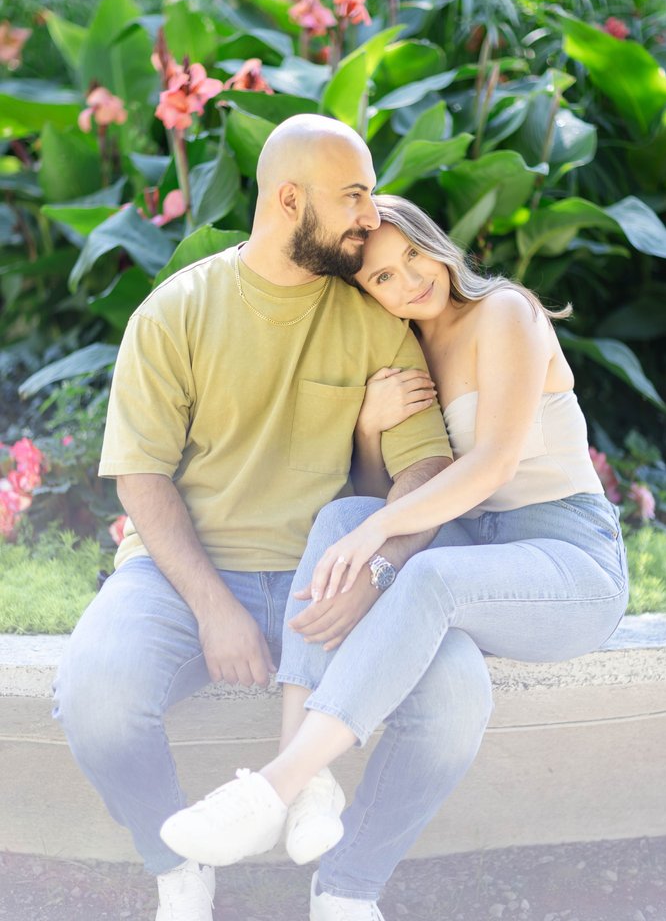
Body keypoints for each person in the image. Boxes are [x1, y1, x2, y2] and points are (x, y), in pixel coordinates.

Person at [160, 194, 630, 920]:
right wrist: (371, 433)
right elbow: (386, 498)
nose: (409, 281)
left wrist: (378, 535)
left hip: (568, 561)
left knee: (413, 560)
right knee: (343, 516)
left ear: (436, 243)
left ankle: (277, 784)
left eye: (413, 255)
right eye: (382, 276)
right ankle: (311, 786)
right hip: (474, 550)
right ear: (366, 291)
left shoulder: (504, 312)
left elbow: (494, 464)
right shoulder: (404, 343)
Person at [52, 120, 455, 921]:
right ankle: (177, 867)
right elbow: (141, 477)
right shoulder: (176, 311)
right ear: (289, 199)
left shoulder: (376, 317)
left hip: (333, 574)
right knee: (95, 700)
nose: (370, 216)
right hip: (185, 573)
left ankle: (347, 886)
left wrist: (377, 567)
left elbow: (426, 470)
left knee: (454, 706)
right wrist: (213, 607)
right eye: (353, 195)